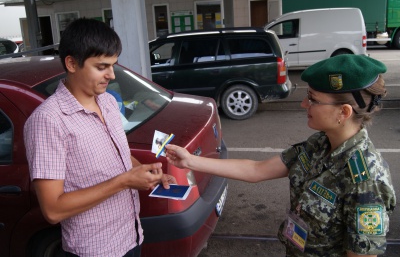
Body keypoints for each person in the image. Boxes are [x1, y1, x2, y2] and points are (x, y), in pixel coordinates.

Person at [165, 54, 396, 257]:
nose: (304, 104)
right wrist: (190, 160)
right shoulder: (320, 143)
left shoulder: (366, 180)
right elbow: (257, 170)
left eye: (313, 99)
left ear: (343, 112)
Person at [24, 18, 175, 257]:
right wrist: (125, 181)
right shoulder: (48, 121)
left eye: (114, 65)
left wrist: (146, 173)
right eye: (102, 67)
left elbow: (121, 157)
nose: (112, 75)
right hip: (96, 250)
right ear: (72, 63)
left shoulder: (108, 102)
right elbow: (52, 209)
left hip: (132, 235)